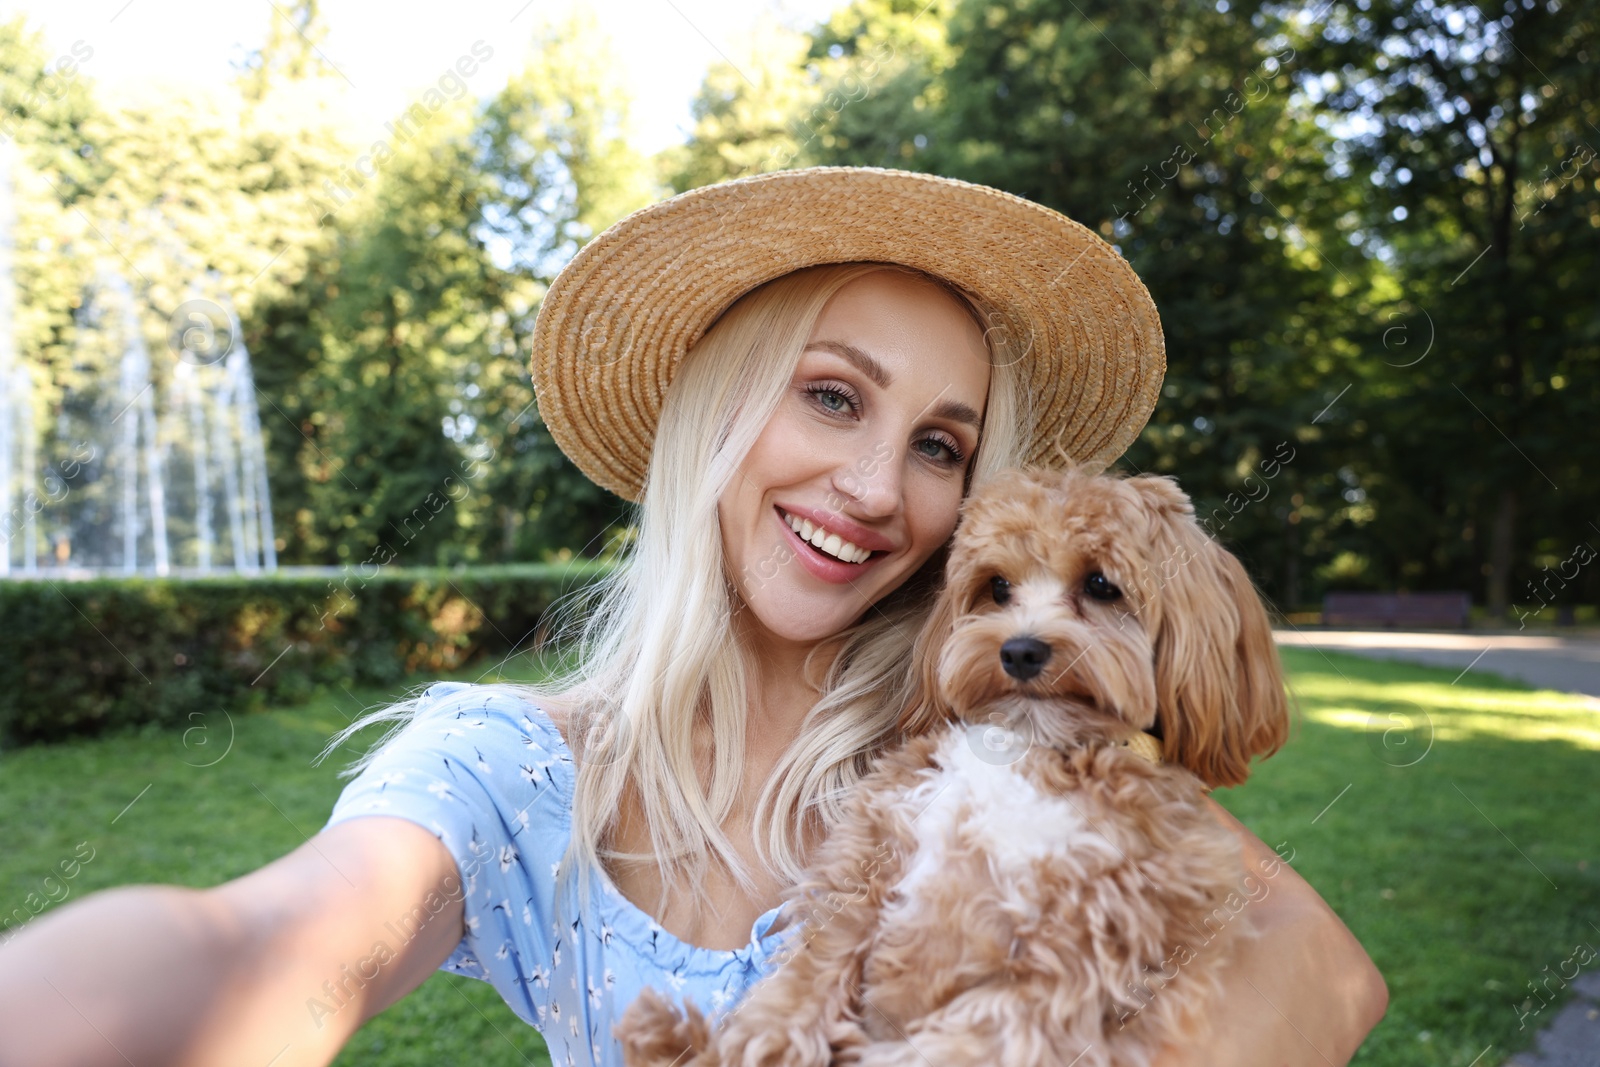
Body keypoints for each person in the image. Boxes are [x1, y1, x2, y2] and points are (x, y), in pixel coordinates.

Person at [0, 166, 1387, 1067]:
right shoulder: (514, 773)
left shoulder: (1003, 743)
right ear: (715, 411)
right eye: (833, 396)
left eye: (940, 445)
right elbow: (257, 948)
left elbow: (1326, 977)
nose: (871, 485)